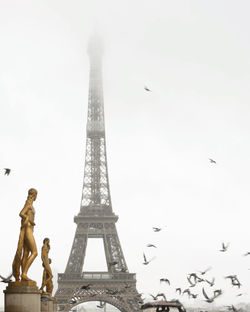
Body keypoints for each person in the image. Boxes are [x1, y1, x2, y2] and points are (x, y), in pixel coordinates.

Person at [12, 188, 38, 282]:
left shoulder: (30, 204)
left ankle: (24, 275)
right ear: (34, 195)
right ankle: (24, 273)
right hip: (28, 229)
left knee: (26, 253)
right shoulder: (29, 204)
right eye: (36, 195)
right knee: (35, 252)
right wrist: (30, 220)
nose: (36, 197)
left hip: (29, 228)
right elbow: (21, 213)